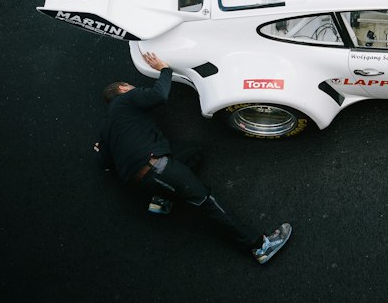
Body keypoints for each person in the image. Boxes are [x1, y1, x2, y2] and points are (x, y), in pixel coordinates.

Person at [94, 50, 292, 265]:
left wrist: (101, 150)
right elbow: (159, 95)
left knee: (193, 153)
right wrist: (164, 69)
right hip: (158, 169)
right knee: (207, 201)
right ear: (123, 89)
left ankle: (162, 200)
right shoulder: (128, 98)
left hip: (141, 180)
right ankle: (260, 246)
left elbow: (104, 164)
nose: (133, 88)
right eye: (130, 86)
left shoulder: (106, 128)